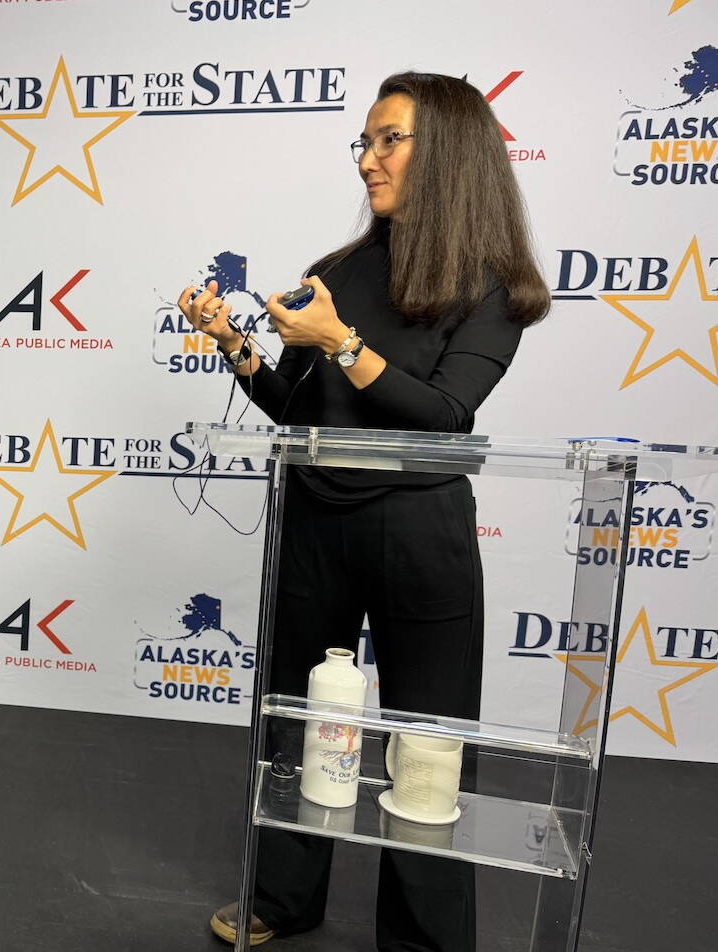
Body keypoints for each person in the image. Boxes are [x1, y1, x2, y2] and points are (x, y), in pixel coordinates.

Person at [180, 72, 551, 951]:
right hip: (317, 519)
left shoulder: (492, 284)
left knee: (427, 741)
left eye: (389, 141)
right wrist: (235, 343)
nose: (367, 160)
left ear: (450, 154)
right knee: (297, 719)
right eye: (365, 142)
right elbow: (297, 409)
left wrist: (341, 343)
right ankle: (285, 894)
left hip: (419, 531)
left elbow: (446, 417)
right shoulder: (336, 271)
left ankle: (423, 936)